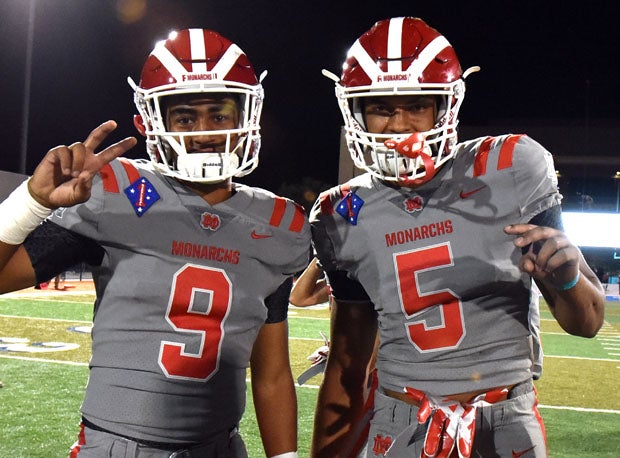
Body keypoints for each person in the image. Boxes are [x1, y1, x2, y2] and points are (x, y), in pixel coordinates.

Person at [0, 28, 309, 458]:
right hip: (118, 447)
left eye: (219, 114)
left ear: (246, 118)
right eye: (184, 117)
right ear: (152, 121)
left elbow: (272, 373)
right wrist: (30, 202)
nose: (203, 132)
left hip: (221, 449)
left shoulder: (279, 222)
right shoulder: (115, 191)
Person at [310, 17, 605, 458]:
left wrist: (564, 279)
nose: (397, 125)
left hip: (504, 420)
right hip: (401, 419)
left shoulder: (512, 168)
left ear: (445, 106)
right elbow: (348, 366)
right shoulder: (341, 213)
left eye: (416, 105)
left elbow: (587, 323)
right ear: (355, 112)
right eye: (381, 108)